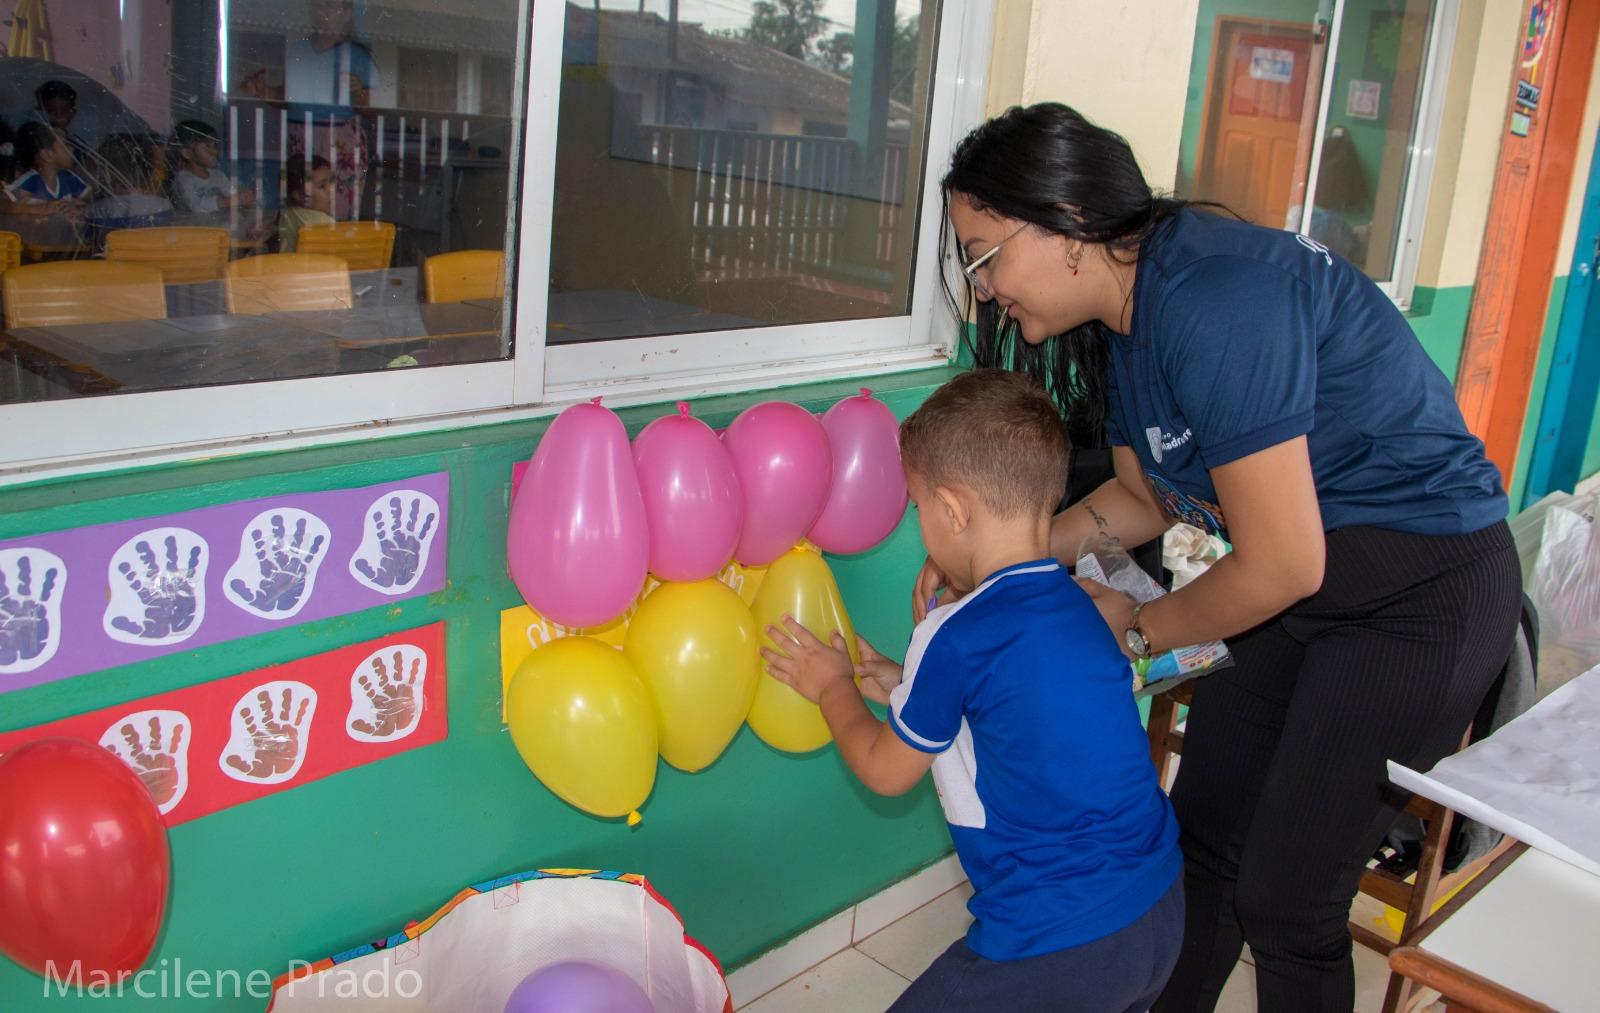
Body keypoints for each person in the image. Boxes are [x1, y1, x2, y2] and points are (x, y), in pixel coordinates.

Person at [921, 103, 1520, 1013]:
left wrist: (1134, 633)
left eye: (984, 251)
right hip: (1304, 592)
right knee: (1198, 847)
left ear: (1066, 224)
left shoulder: (1212, 293)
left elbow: (1281, 563)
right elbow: (1139, 500)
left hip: (1420, 594)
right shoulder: (1127, 327)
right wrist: (995, 556)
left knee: (1288, 902)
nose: (983, 284)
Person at [763, 368, 1184, 1013]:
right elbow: (1022, 713)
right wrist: (902, 688)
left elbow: (884, 771)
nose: (921, 523)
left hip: (1057, 941)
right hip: (1156, 909)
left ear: (954, 510)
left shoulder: (953, 633)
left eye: (918, 507)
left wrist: (831, 689)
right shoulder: (1090, 602)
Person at [84, 133, 175, 248]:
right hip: (152, 262)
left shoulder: (98, 210)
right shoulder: (165, 205)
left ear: (107, 175)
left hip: (115, 264)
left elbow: (86, 239)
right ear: (149, 172)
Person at [5, 122, 91, 215]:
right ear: (47, 155)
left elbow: (90, 196)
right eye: (66, 144)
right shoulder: (31, 181)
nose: (72, 149)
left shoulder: (69, 177)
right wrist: (40, 209)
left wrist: (80, 205)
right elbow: (3, 203)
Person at [172, 120, 256, 215]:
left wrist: (246, 199)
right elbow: (196, 206)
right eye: (207, 147)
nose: (214, 152)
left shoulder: (218, 175)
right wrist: (231, 201)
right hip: (193, 227)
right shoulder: (184, 179)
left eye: (214, 145)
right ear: (187, 153)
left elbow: (233, 194)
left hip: (217, 224)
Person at [276, 155, 335, 252]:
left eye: (332, 182)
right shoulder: (321, 222)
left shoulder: (288, 214)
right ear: (298, 195)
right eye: (322, 186)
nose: (331, 190)